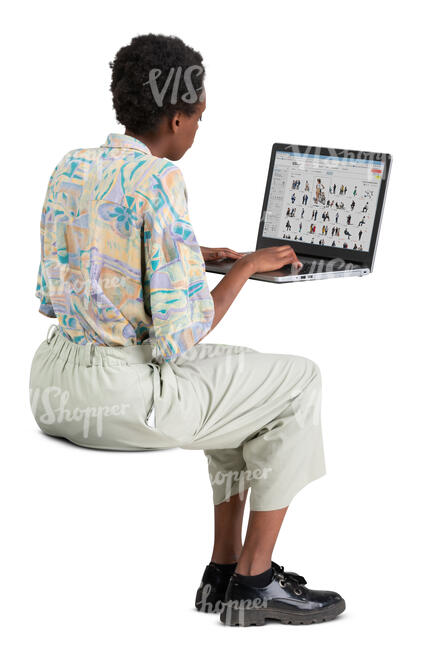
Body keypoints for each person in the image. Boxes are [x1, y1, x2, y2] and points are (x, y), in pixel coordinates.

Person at [29, 33, 345, 627]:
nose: (198, 127)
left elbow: (58, 288)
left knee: (245, 377)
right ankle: (255, 580)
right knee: (298, 381)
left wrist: (187, 252)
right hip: (123, 397)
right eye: (198, 116)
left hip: (54, 384)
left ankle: (221, 572)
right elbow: (180, 338)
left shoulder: (73, 165)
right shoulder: (161, 180)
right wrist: (246, 267)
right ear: (176, 117)